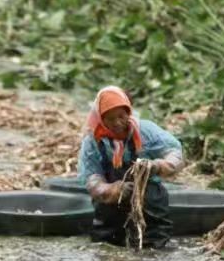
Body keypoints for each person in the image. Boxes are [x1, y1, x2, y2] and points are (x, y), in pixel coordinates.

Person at [77, 86, 183, 249]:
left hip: (149, 196)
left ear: (129, 112)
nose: (117, 123)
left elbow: (174, 153)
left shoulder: (145, 130)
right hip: (112, 203)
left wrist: (158, 166)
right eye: (110, 119)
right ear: (100, 118)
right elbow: (91, 179)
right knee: (106, 243)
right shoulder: (93, 141)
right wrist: (112, 190)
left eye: (121, 116)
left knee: (155, 238)